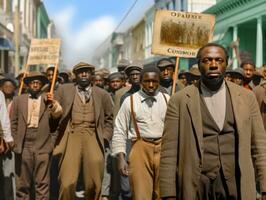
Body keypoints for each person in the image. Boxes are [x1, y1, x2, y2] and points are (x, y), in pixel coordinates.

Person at [160, 43, 266, 200]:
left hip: (237, 184)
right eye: (207, 60)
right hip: (197, 186)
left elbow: (259, 145)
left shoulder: (246, 97)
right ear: (198, 64)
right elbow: (169, 151)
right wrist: (168, 193)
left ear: (226, 64)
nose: (213, 65)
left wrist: (264, 187)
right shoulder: (180, 100)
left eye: (219, 60)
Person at [54, 62, 113, 200]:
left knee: (94, 182)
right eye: (81, 72)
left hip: (93, 135)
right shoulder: (64, 90)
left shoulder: (102, 94)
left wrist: (104, 137)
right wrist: (52, 106)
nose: (84, 74)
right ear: (76, 75)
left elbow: (109, 119)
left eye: (87, 71)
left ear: (91, 74)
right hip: (71, 135)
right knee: (67, 182)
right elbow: (55, 113)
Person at [112, 66, 169, 200]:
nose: (151, 85)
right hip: (139, 148)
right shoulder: (130, 101)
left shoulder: (167, 99)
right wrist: (121, 158)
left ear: (159, 82)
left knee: (162, 193)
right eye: (146, 81)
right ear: (141, 82)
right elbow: (119, 130)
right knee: (140, 193)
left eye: (154, 81)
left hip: (163, 149)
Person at [10, 71, 62, 200]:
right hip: (24, 144)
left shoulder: (48, 99)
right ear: (27, 85)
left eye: (38, 83)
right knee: (23, 182)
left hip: (43, 144)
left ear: (42, 85)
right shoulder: (18, 100)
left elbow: (57, 118)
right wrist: (15, 142)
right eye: (32, 82)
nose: (35, 85)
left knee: (42, 182)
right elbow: (13, 123)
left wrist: (51, 142)